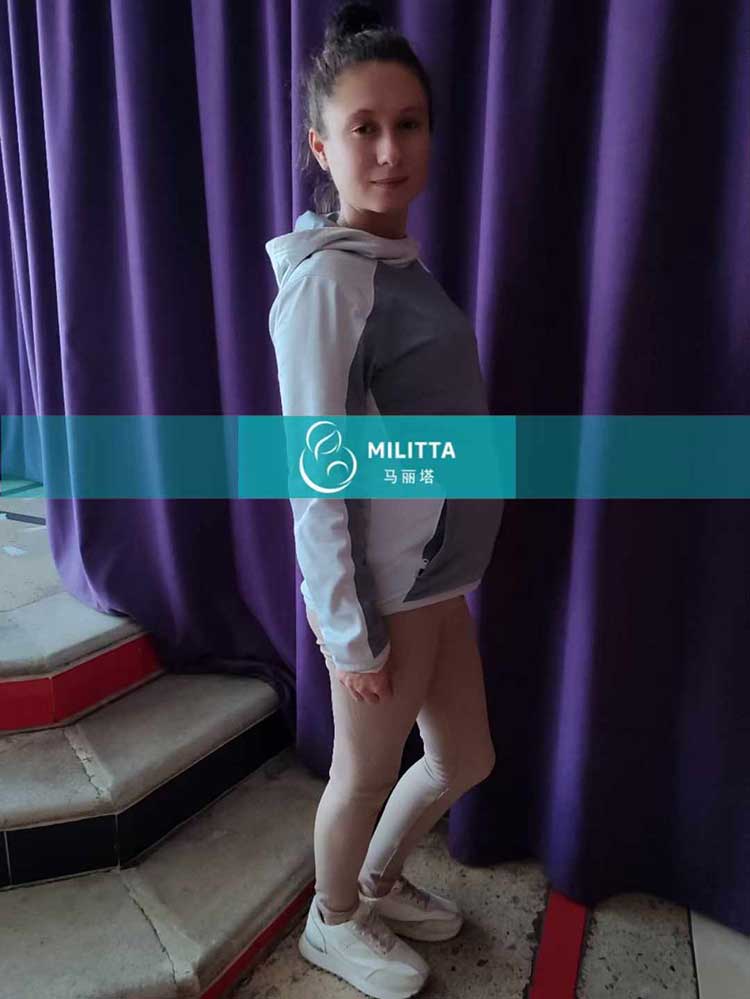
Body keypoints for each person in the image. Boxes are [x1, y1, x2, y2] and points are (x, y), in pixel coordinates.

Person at [264, 3, 505, 996]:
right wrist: (346, 632)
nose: (390, 149)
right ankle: (331, 921)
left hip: (440, 582)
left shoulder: (399, 265)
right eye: (363, 128)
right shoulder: (328, 286)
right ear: (322, 147)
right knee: (361, 776)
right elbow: (314, 475)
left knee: (465, 759)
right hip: (384, 598)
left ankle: (376, 881)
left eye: (408, 124)